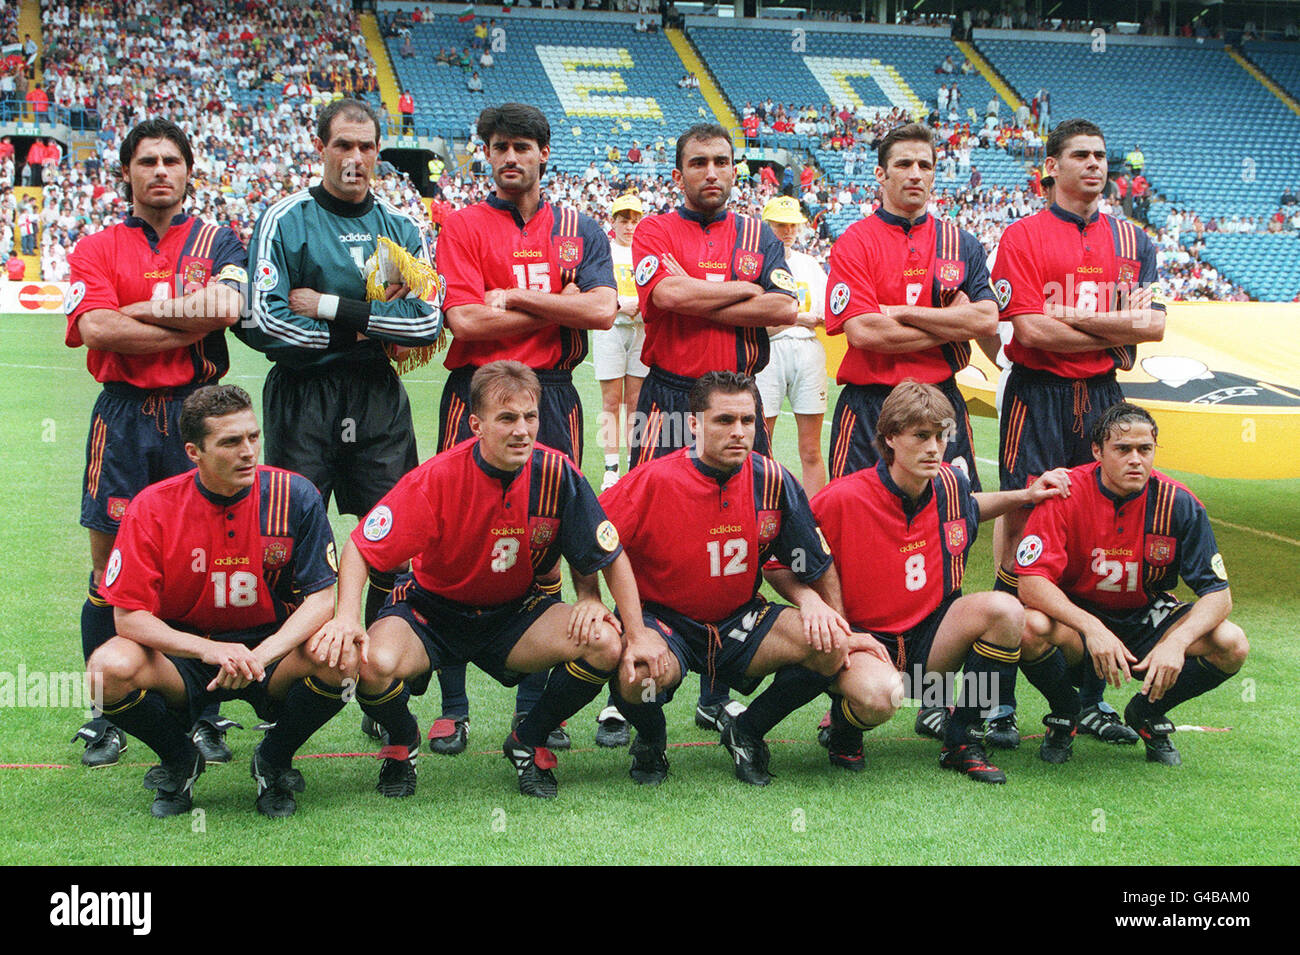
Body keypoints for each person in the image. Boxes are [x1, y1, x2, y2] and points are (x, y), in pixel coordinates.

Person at [314, 362, 661, 799]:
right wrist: (347, 617)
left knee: (606, 643)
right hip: (432, 612)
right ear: (475, 424)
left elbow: (609, 554)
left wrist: (636, 631)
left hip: (514, 615)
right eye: (507, 418)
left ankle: (528, 739)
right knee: (368, 662)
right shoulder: (436, 478)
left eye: (530, 417)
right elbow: (362, 548)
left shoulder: (558, 473)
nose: (522, 430)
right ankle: (402, 740)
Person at [432, 102, 616, 754]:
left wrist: (512, 298)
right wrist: (557, 307)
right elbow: (466, 323)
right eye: (499, 147)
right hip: (476, 393)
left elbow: (601, 309)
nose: (511, 158)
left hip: (554, 394)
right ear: (487, 154)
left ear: (544, 152)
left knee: (552, 536)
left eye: (522, 147)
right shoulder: (462, 226)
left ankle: (538, 705)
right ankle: (452, 706)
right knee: (452, 536)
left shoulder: (580, 227)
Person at [237, 97, 443, 679]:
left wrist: (331, 309)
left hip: (377, 397)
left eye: (366, 147)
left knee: (395, 540)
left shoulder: (401, 228)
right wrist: (367, 331)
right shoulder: (285, 218)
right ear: (320, 147)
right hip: (304, 396)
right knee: (288, 542)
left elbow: (427, 323)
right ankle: (281, 682)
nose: (355, 158)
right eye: (343, 145)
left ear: (379, 152)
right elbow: (264, 320)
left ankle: (384, 676)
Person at [66, 118, 247, 769]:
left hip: (198, 417)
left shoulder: (217, 238)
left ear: (190, 171)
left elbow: (225, 307)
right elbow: (95, 328)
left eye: (173, 159)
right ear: (127, 172)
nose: (161, 170)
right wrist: (180, 323)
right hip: (122, 420)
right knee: (109, 574)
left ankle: (203, 715)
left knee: (200, 571)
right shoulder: (97, 245)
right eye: (148, 160)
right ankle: (107, 713)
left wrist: (136, 313)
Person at [89, 386, 346, 817]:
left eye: (253, 437)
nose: (248, 452)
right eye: (230, 442)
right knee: (105, 671)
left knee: (343, 657)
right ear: (194, 451)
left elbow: (322, 601)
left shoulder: (295, 495)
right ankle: (178, 757)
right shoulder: (152, 507)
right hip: (187, 652)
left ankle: (275, 758)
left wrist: (258, 656)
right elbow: (129, 618)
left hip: (271, 647)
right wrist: (210, 650)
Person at [989, 118, 1166, 745]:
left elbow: (1152, 328)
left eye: (1100, 156)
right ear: (1052, 167)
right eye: (1081, 156)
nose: (1094, 166)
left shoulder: (1133, 240)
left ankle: (1087, 701)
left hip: (1102, 396)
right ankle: (997, 700)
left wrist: (1065, 314)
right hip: (1036, 396)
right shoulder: (1023, 235)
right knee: (1022, 523)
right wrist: (1108, 324)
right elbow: (1029, 334)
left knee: (1098, 536)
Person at [601, 371, 858, 787]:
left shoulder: (773, 479)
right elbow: (594, 542)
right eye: (724, 420)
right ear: (694, 424)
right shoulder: (654, 479)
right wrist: (605, 610)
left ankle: (748, 731)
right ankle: (651, 737)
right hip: (666, 621)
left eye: (748, 420)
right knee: (637, 677)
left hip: (740, 620)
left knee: (830, 646)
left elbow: (816, 562)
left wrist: (834, 617)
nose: (739, 432)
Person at [626, 121, 798, 731]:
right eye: (697, 162)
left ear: (735, 170)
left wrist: (698, 289)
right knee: (645, 530)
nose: (711, 172)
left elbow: (783, 305)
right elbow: (665, 297)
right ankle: (636, 665)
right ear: (678, 174)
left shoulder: (757, 232)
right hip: (671, 398)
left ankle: (718, 684)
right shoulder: (653, 228)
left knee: (743, 530)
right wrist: (738, 289)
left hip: (739, 401)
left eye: (722, 161)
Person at [809, 381, 1071, 780]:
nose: (933, 447)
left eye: (940, 436)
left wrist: (1025, 496)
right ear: (891, 437)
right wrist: (824, 611)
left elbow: (967, 507)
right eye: (921, 436)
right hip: (866, 645)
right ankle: (845, 731)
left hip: (929, 642)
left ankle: (961, 739)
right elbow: (792, 552)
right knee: (882, 697)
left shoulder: (950, 482)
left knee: (1005, 609)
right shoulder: (843, 496)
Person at [1014, 403, 1248, 766]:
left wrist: (1178, 642)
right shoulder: (1065, 492)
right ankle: (1066, 710)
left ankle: (1148, 711)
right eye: (1123, 450)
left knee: (1231, 643)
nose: (1136, 460)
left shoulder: (1179, 502)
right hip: (1079, 622)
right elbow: (1030, 584)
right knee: (1028, 626)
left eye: (1145, 449)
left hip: (1145, 619)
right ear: (1097, 451)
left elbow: (1218, 595)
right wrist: (1092, 628)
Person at [823, 123, 996, 492]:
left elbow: (985, 319)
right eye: (904, 164)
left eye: (925, 165)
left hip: (941, 398)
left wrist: (900, 312)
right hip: (872, 403)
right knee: (858, 518)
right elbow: (865, 331)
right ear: (881, 174)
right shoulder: (855, 242)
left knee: (952, 512)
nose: (915, 174)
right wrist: (952, 321)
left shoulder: (961, 243)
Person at [755, 195, 829, 495]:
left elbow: (824, 317)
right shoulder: (756, 265)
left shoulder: (809, 265)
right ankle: (763, 510)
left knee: (811, 448)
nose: (787, 231)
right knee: (762, 443)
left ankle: (814, 519)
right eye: (780, 225)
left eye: (793, 225)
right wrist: (798, 319)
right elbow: (759, 323)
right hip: (769, 354)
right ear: (767, 225)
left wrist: (792, 320)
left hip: (807, 353)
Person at [593, 193, 648, 493]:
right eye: (624, 220)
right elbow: (594, 288)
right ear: (613, 222)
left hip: (640, 331)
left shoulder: (644, 252)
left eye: (634, 220)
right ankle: (611, 467)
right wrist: (618, 305)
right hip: (611, 327)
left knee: (636, 403)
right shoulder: (605, 252)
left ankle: (633, 463)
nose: (629, 226)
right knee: (612, 401)